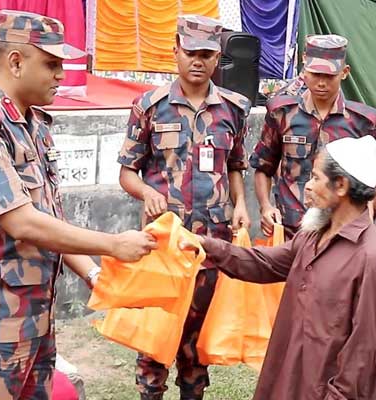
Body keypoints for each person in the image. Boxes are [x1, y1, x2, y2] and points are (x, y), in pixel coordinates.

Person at [0, 10, 157, 399]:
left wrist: (93, 275)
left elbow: (50, 218)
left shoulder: (36, 127)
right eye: (52, 63)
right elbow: (24, 223)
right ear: (15, 61)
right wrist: (113, 246)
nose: (61, 74)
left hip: (37, 319)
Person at [187, 136, 376, 399]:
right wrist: (204, 244)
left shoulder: (371, 259)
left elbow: (363, 356)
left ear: (341, 185)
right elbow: (263, 263)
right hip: (285, 377)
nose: (307, 186)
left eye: (316, 178)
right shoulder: (314, 234)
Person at [116, 14, 251, 400]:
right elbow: (127, 173)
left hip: (211, 244)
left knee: (197, 342)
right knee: (155, 339)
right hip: (163, 245)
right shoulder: (149, 106)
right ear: (175, 51)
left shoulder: (233, 109)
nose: (197, 60)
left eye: (206, 54)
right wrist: (146, 193)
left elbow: (235, 165)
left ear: (217, 58)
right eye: (190, 52)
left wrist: (241, 203)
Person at [250, 34, 376, 239]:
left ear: (345, 72)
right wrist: (266, 207)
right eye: (315, 73)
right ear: (304, 65)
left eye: (329, 76)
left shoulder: (362, 122)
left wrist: (366, 229)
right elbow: (263, 167)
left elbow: (370, 187)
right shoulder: (282, 113)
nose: (321, 82)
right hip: (289, 232)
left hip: (338, 235)